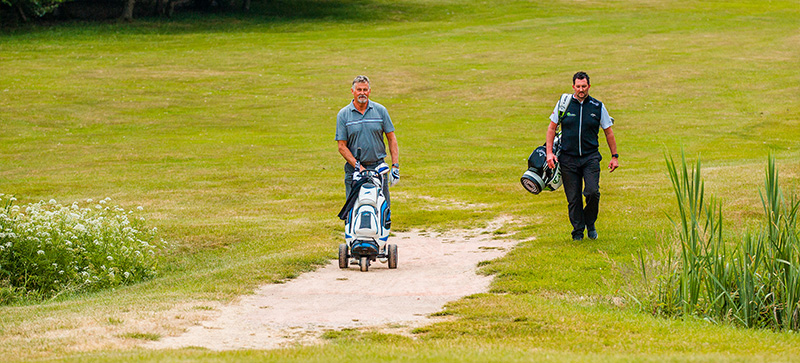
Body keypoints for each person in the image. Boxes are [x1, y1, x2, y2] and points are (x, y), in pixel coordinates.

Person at [546, 71, 619, 241]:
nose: (581, 89)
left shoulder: (597, 106)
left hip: (590, 157)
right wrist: (549, 153)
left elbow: (608, 132)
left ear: (589, 87)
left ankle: (590, 223)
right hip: (568, 158)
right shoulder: (563, 105)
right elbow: (551, 128)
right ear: (573, 87)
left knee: (592, 192)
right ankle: (578, 232)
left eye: (584, 86)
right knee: (573, 198)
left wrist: (614, 156)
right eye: (578, 86)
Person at [335, 75, 400, 205]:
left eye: (365, 90)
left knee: (382, 208)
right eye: (359, 90)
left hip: (378, 168)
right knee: (353, 209)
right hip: (354, 170)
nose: (362, 93)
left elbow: (391, 138)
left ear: (369, 91)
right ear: (353, 91)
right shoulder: (344, 115)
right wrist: (359, 168)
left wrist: (395, 166)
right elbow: (342, 146)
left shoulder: (380, 111)